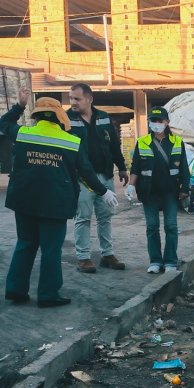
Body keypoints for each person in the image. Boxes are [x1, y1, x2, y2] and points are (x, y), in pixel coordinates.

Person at [2, 89, 118, 307]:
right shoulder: (71, 142)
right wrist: (104, 191)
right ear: (60, 117)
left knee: (25, 244)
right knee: (50, 249)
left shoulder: (23, 134)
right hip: (54, 204)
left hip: (24, 202)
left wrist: (19, 106)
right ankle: (47, 295)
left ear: (37, 116)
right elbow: (86, 172)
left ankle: (16, 290)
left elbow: (3, 123)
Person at [67, 83, 128, 273]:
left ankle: (107, 255)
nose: (73, 102)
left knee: (105, 217)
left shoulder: (103, 117)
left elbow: (114, 146)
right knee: (83, 218)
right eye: (71, 98)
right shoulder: (67, 120)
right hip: (83, 179)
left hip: (105, 175)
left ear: (89, 99)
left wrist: (122, 168)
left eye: (77, 98)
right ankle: (83, 258)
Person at [127, 107, 190, 274]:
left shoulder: (177, 141)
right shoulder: (142, 142)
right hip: (149, 192)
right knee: (152, 227)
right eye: (153, 121)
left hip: (170, 192)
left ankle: (170, 261)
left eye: (159, 121)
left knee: (171, 226)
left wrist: (185, 188)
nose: (156, 124)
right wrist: (131, 185)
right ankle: (155, 261)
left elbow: (184, 167)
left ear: (167, 122)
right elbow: (135, 167)